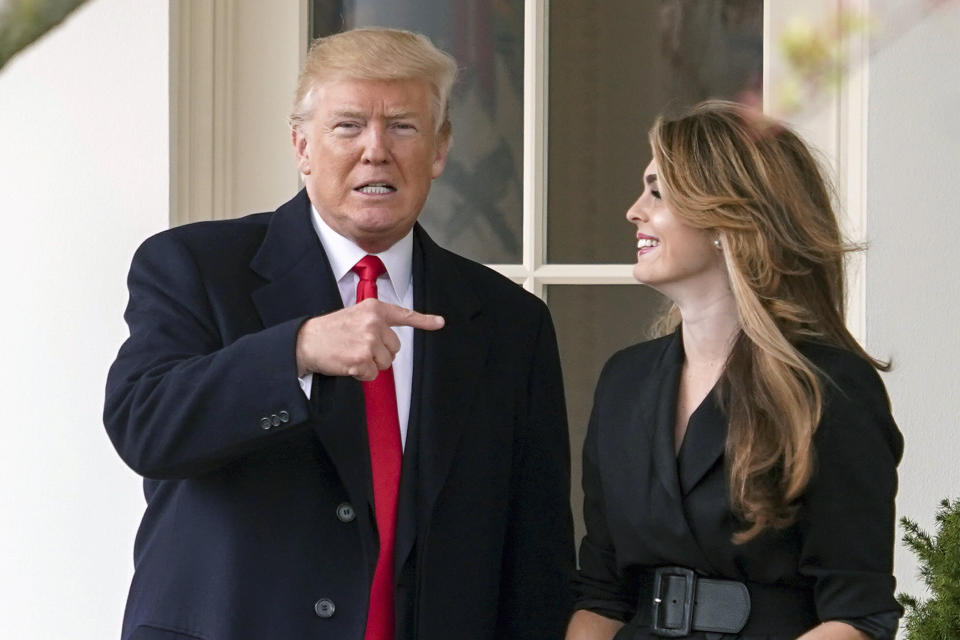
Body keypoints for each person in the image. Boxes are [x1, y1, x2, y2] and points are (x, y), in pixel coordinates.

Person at [104, 28, 574, 640]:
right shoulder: (194, 265)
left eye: (403, 126)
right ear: (301, 145)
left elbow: (535, 552)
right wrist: (295, 352)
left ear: (440, 149)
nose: (376, 151)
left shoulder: (511, 322)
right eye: (348, 126)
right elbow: (145, 426)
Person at [566, 101, 903, 640]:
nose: (633, 210)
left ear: (728, 219)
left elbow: (857, 615)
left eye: (658, 191)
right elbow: (601, 595)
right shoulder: (624, 381)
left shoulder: (829, 387)